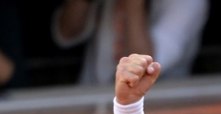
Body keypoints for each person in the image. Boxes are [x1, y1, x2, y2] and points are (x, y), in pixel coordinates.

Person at [52, 0, 209, 85]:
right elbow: (66, 35)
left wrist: (132, 5)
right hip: (91, 106)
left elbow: (146, 66)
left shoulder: (190, 3)